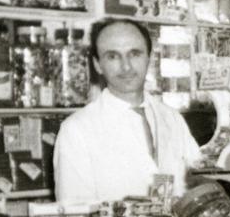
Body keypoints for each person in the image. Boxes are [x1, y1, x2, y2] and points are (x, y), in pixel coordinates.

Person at [53, 18, 202, 204]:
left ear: (149, 58)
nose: (126, 66)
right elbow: (75, 212)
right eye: (113, 56)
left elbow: (195, 181)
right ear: (97, 65)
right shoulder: (76, 130)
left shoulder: (172, 119)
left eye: (135, 54)